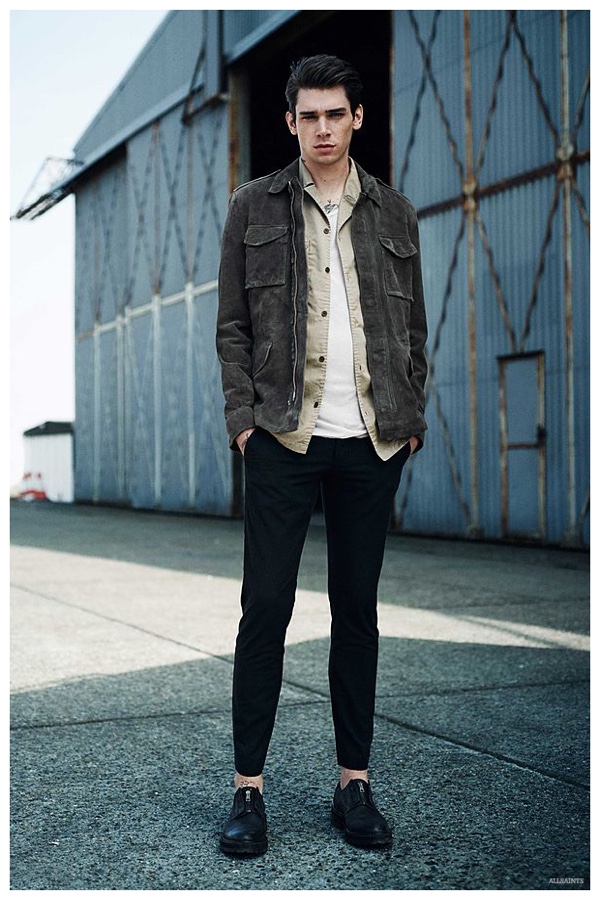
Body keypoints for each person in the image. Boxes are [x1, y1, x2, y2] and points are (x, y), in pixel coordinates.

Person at [216, 54, 427, 855]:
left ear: (357, 118)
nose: (323, 129)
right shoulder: (253, 205)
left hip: (371, 440)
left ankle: (353, 785)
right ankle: (248, 791)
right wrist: (244, 421)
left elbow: (413, 331)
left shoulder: (395, 212)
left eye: (336, 114)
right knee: (266, 608)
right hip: (283, 435)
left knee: (356, 612)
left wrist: (410, 419)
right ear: (291, 122)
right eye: (309, 116)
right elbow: (232, 325)